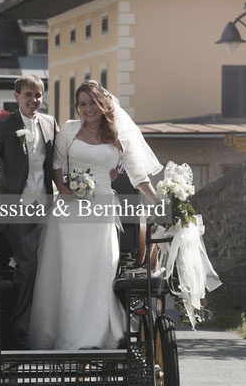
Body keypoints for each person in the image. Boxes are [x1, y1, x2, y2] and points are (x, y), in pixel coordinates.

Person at [29, 80, 162, 353]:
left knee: (99, 272)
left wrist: (159, 203)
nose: (87, 109)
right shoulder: (69, 129)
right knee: (68, 273)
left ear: (103, 104)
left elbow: (138, 177)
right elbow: (56, 165)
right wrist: (64, 189)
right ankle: (61, 333)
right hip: (69, 212)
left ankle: (94, 335)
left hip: (101, 212)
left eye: (92, 103)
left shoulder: (118, 135)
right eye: (82, 104)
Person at [0, 75, 59, 350]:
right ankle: (18, 332)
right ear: (17, 96)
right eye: (29, 95)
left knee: (49, 265)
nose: (34, 100)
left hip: (46, 207)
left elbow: (57, 163)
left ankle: (44, 325)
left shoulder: (50, 123)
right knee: (29, 265)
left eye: (39, 95)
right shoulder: (6, 126)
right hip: (13, 207)